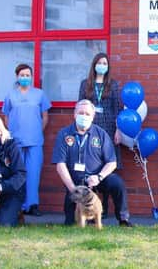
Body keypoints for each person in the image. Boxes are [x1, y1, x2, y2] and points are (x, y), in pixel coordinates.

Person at [51, 99, 133, 227]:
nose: (84, 116)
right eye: (81, 113)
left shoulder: (101, 134)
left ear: (93, 117)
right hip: (76, 182)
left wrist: (99, 177)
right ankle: (81, 219)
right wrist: (73, 188)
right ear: (74, 114)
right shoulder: (64, 134)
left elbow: (112, 162)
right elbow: (60, 165)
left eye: (87, 114)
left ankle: (123, 219)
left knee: (117, 183)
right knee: (70, 224)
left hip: (97, 178)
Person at [2, 63, 51, 217]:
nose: (25, 77)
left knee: (33, 174)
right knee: (17, 174)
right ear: (17, 77)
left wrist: (36, 132)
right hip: (16, 141)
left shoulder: (39, 94)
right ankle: (19, 206)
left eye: (27, 75)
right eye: (22, 75)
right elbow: (6, 116)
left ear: (31, 77)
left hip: (35, 141)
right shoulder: (10, 95)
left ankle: (32, 205)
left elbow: (45, 117)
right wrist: (13, 132)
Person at [78, 52, 122, 218]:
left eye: (105, 63)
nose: (102, 65)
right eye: (99, 62)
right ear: (94, 64)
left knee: (107, 168)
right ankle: (91, 206)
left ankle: (104, 207)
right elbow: (79, 105)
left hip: (109, 129)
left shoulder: (113, 85)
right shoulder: (85, 84)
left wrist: (118, 130)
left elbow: (117, 108)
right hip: (89, 128)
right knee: (91, 165)